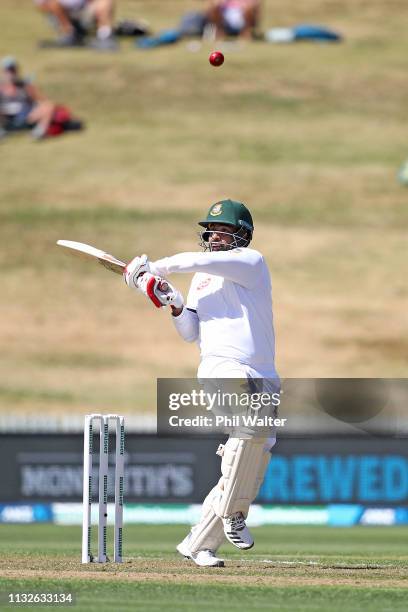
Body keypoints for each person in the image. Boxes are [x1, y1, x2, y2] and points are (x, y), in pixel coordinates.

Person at [124, 199, 279, 567]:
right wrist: (175, 304)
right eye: (213, 231)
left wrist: (155, 268)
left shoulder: (251, 262)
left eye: (226, 231)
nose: (217, 236)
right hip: (222, 367)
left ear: (243, 235)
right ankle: (234, 514)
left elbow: (195, 261)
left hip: (264, 374)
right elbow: (190, 332)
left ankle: (198, 544)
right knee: (251, 431)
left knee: (254, 455)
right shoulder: (201, 280)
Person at [0, 56, 56, 140]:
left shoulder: (25, 86)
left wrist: (31, 90)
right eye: (8, 70)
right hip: (7, 119)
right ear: (3, 72)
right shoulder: (1, 88)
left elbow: (43, 100)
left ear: (17, 70)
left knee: (48, 106)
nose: (11, 73)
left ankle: (39, 132)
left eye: (12, 70)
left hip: (26, 118)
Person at [33, 0, 117, 50]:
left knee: (105, 1)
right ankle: (69, 35)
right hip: (64, 16)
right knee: (53, 3)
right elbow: (42, 5)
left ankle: (105, 36)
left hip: (85, 13)